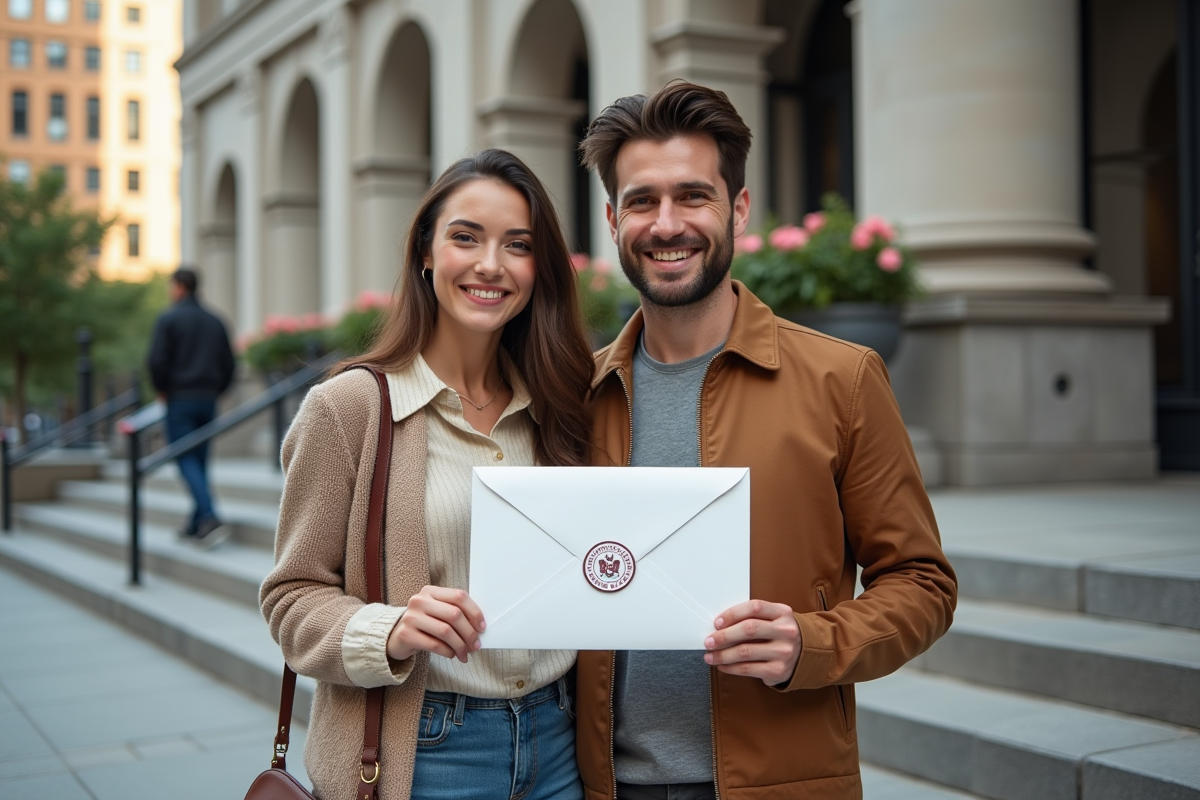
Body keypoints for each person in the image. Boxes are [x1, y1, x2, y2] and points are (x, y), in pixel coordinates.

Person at [574, 81, 958, 800]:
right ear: (612, 219)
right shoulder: (576, 396)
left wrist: (812, 643)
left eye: (693, 196)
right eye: (642, 201)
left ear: (739, 209)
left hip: (783, 781)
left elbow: (923, 584)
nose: (666, 224)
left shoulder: (843, 379)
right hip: (603, 786)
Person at [260, 150, 595, 800]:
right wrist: (388, 629)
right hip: (427, 751)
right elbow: (290, 598)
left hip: (559, 744)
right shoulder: (349, 409)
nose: (490, 264)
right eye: (465, 237)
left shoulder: (562, 406)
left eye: (518, 245)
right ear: (425, 252)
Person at [147, 267, 236, 548]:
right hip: (208, 399)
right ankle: (196, 522)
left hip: (180, 399)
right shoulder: (216, 321)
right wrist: (218, 390)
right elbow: (229, 363)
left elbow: (156, 361)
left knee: (185, 457)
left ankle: (208, 516)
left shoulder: (169, 319)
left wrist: (162, 389)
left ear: (179, 286)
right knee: (200, 459)